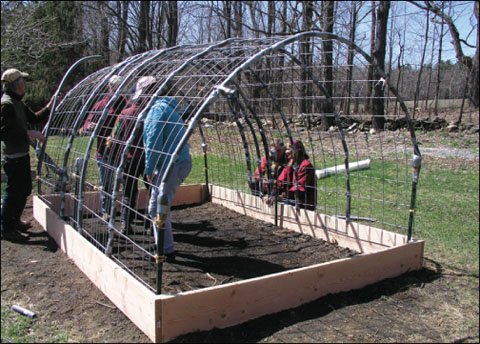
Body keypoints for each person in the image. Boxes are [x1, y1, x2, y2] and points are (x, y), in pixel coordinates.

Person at [1, 68, 55, 242]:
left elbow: (34, 118)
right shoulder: (6, 104)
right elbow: (4, 132)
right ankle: (6, 228)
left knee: (23, 189)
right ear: (16, 85)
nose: (25, 83)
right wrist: (30, 134)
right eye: (22, 81)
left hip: (21, 155)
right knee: (13, 191)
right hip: (13, 157)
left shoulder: (18, 103)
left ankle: (14, 221)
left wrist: (50, 106)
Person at [143, 90, 192, 262]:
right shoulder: (168, 108)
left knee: (159, 207)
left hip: (173, 164)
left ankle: (165, 250)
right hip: (176, 162)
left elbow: (153, 143)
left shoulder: (157, 111)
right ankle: (163, 247)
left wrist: (149, 170)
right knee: (156, 207)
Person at [106, 76, 155, 234]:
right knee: (152, 190)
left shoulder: (124, 114)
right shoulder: (151, 114)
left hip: (128, 159)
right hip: (147, 158)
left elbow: (115, 137)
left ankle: (125, 225)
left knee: (129, 192)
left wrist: (114, 154)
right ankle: (151, 223)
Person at [81, 75, 127, 220]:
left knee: (124, 183)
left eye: (120, 86)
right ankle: (106, 211)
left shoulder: (125, 104)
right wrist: (89, 127)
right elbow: (88, 122)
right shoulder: (100, 105)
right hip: (104, 151)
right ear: (109, 87)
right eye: (114, 87)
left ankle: (125, 213)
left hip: (122, 152)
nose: (117, 89)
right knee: (106, 183)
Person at [267, 140, 317, 211]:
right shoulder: (291, 164)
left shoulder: (305, 165)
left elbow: (299, 188)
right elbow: (280, 181)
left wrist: (282, 196)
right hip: (292, 199)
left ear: (298, 150)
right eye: (286, 149)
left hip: (304, 203)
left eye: (289, 149)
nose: (286, 152)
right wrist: (273, 193)